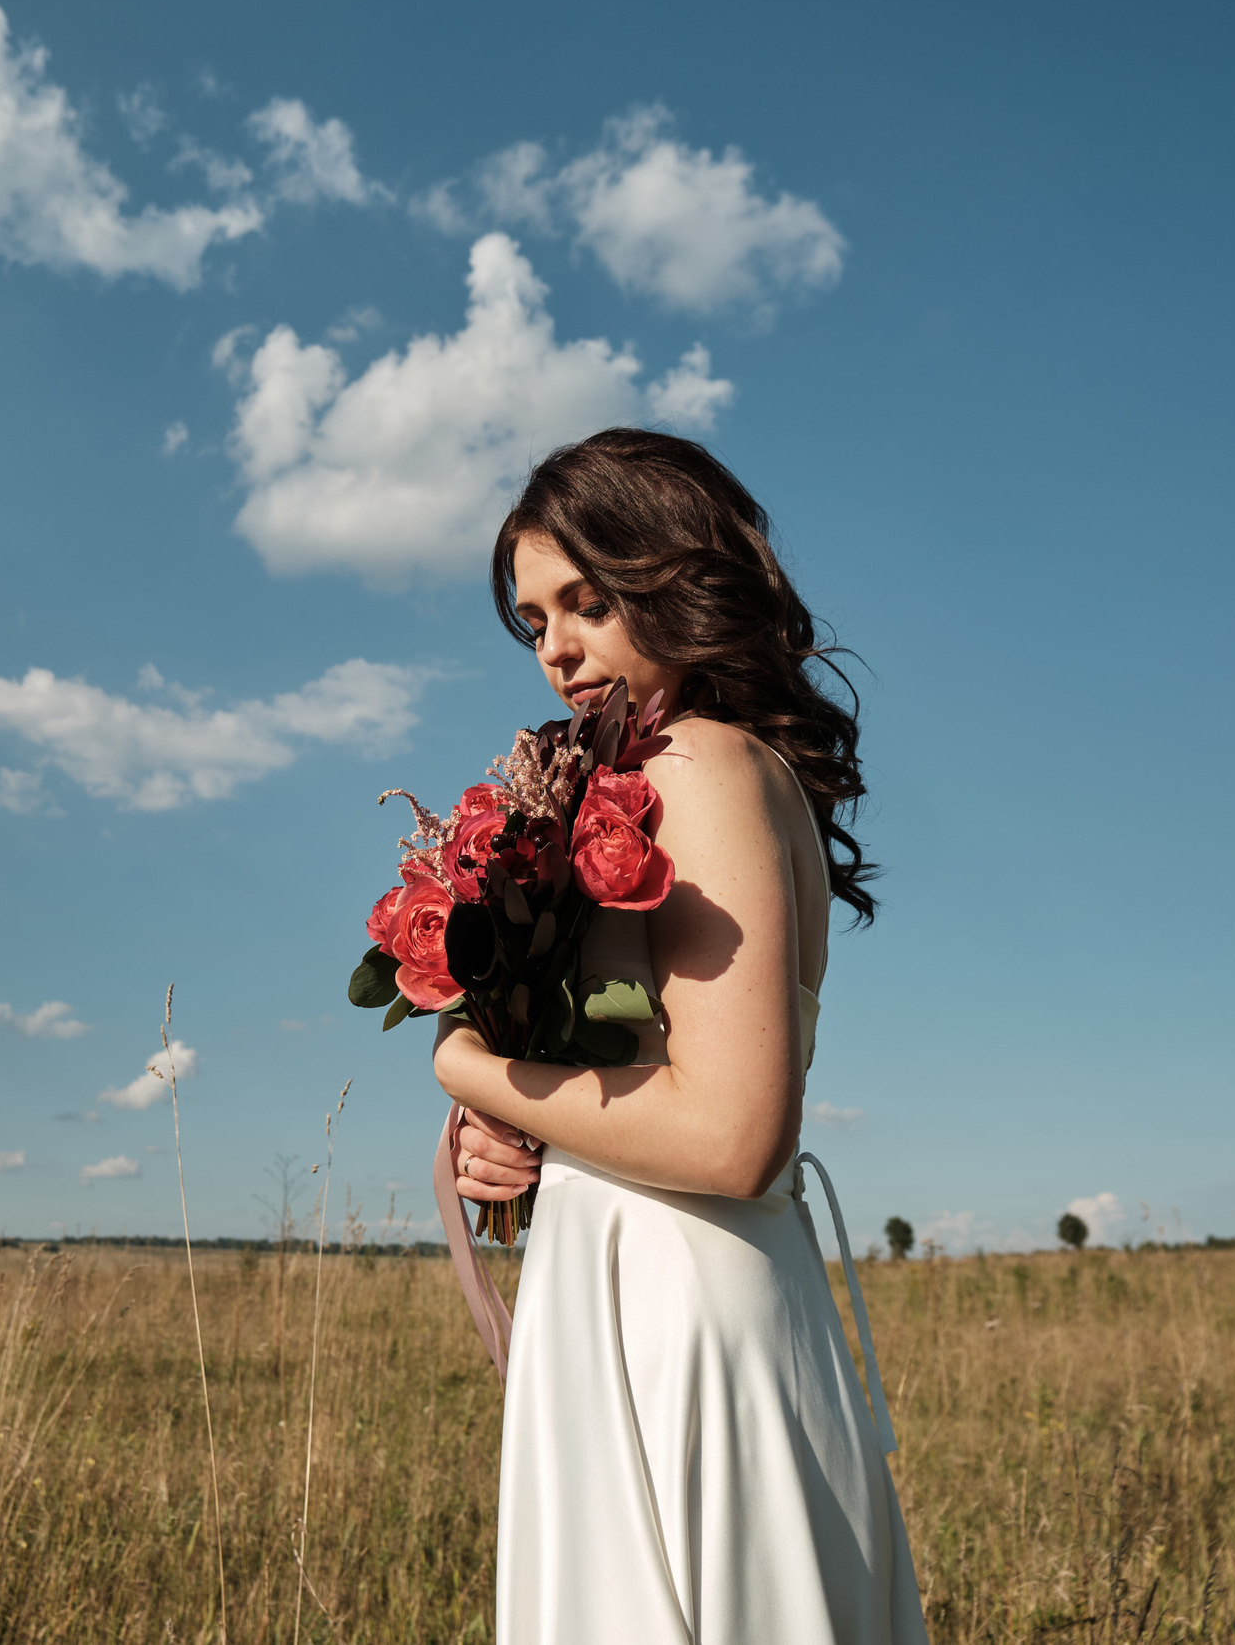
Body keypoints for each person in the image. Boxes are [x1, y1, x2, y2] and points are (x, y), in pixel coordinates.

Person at [432, 428, 927, 1644]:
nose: (555, 649)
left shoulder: (700, 763)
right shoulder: (673, 773)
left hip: (679, 1297)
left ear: (674, 576)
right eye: (532, 619)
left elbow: (728, 1134)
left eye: (586, 602)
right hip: (641, 1278)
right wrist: (503, 1136)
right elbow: (640, 1081)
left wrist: (465, 1060)